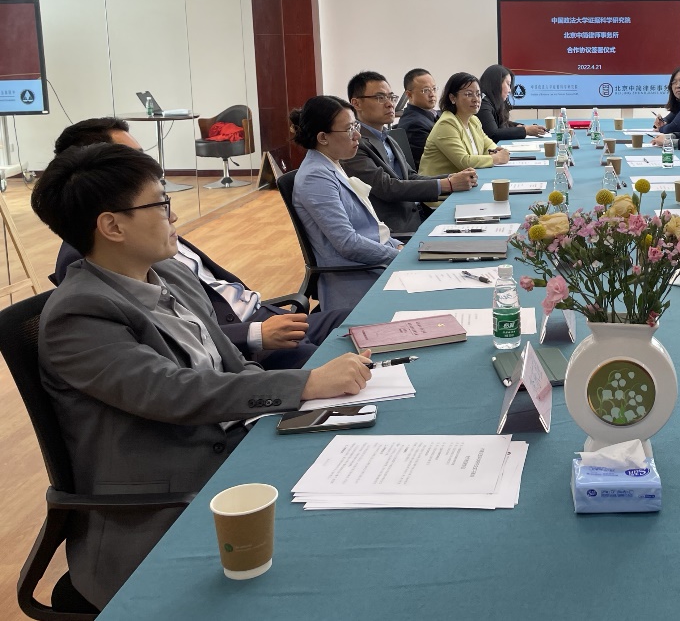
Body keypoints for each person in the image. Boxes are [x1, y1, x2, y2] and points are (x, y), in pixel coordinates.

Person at [31, 142, 372, 610]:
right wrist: (306, 384)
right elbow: (174, 392)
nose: (173, 215)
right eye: (160, 204)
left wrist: (292, 406)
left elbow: (231, 360)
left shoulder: (169, 273)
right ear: (112, 226)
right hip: (168, 506)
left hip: (238, 453)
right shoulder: (79, 314)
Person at [48, 117, 345, 370]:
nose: (147, 166)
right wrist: (254, 337)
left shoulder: (152, 235)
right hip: (246, 344)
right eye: (129, 157)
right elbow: (178, 365)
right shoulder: (93, 266)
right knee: (339, 366)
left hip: (258, 322)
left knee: (354, 325)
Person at [291, 95, 403, 311]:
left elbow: (369, 228)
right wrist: (400, 256)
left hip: (375, 266)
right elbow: (348, 243)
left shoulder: (331, 164)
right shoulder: (315, 177)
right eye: (350, 129)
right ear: (323, 137)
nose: (357, 135)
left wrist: (397, 245)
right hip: (358, 280)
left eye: (356, 126)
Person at [343, 70, 477, 236]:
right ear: (356, 103)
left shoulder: (387, 137)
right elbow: (387, 188)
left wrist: (452, 177)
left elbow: (410, 176)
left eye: (391, 97)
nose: (390, 104)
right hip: (395, 231)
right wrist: (447, 184)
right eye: (380, 98)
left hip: (419, 216)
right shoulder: (354, 145)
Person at [418, 72, 510, 191]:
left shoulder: (473, 120)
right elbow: (464, 162)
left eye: (478, 94)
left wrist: (498, 152)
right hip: (440, 192)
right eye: (468, 94)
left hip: (466, 186)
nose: (476, 99)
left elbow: (489, 146)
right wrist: (497, 158)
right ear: (452, 98)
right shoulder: (447, 124)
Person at [478, 64, 546, 141]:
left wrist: (522, 127)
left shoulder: (492, 102)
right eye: (508, 84)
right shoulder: (483, 105)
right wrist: (525, 130)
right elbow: (493, 134)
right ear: (496, 84)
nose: (510, 90)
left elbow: (503, 124)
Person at [394, 68, 439, 168]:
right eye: (426, 90)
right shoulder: (414, 124)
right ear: (409, 94)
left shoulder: (436, 114)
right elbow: (434, 160)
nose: (432, 94)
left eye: (434, 89)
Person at [652, 65, 680, 136]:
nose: (677, 85)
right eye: (674, 82)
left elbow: (673, 127)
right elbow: (668, 119)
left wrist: (661, 128)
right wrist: (662, 122)